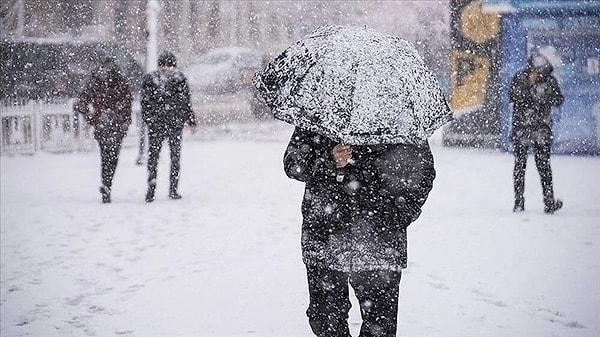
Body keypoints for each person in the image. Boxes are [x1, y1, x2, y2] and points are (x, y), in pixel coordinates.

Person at [284, 127, 436, 337]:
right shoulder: (321, 110)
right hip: (325, 235)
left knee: (380, 327)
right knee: (325, 320)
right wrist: (329, 160)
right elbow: (293, 164)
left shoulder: (398, 115)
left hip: (380, 239)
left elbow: (423, 171)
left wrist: (397, 215)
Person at [509, 54, 564, 214]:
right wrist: (529, 86)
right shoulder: (520, 78)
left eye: (541, 69)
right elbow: (512, 96)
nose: (539, 72)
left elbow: (558, 99)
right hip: (522, 129)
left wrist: (543, 97)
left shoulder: (550, 80)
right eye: (536, 69)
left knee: (544, 167)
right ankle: (518, 202)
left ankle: (549, 202)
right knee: (520, 166)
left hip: (541, 129)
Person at [74, 57, 132, 203]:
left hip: (105, 123)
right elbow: (127, 103)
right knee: (111, 157)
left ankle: (106, 184)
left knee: (106, 156)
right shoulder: (118, 80)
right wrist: (124, 119)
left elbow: (82, 101)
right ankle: (107, 184)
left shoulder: (96, 80)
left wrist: (92, 117)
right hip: (112, 123)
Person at [141, 51, 197, 202]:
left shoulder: (151, 79)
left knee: (156, 156)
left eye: (169, 66)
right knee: (172, 157)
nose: (167, 69)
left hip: (160, 124)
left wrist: (150, 119)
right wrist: (190, 120)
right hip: (172, 123)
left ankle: (154, 187)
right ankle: (170, 189)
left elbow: (145, 103)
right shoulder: (179, 79)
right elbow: (185, 103)